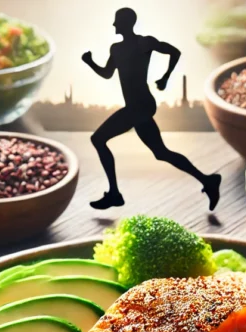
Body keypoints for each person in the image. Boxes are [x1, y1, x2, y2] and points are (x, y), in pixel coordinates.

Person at [83, 7, 222, 211]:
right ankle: (208, 181)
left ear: (126, 23)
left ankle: (114, 194)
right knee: (161, 152)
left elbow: (174, 52)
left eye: (117, 22)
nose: (114, 25)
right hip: (135, 107)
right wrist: (90, 62)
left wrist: (166, 77)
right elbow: (106, 73)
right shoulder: (116, 49)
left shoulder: (143, 43)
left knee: (98, 139)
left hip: (141, 105)